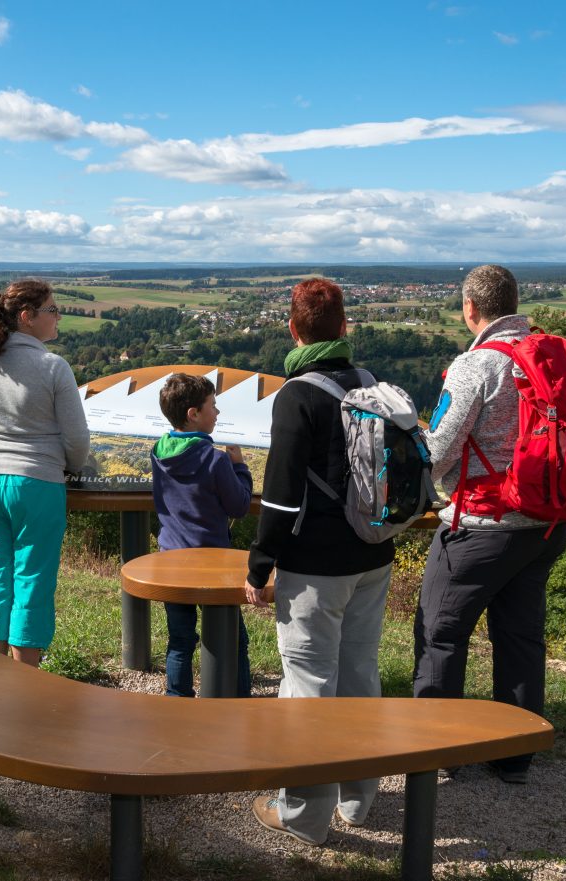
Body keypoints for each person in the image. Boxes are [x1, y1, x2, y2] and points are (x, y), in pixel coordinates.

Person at [244, 277, 394, 846]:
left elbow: (281, 498)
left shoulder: (297, 395)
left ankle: (304, 816)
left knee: (307, 686)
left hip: (315, 568)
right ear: (344, 327)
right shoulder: (368, 382)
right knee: (359, 675)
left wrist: (260, 566)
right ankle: (358, 799)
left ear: (293, 327)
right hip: (373, 555)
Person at [413, 264, 566, 783]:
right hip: (545, 524)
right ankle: (515, 754)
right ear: (515, 302)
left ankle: (435, 751)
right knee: (521, 638)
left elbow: (437, 450)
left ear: (470, 308)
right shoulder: (550, 356)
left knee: (441, 634)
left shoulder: (475, 365)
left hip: (481, 527)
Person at [0, 279, 89, 667]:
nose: (58, 316)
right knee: (32, 581)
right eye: (52, 310)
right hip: (36, 485)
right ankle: (25, 682)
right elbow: (77, 439)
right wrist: (71, 466)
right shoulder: (53, 367)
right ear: (27, 318)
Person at [151, 373, 255, 698]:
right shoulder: (215, 460)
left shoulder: (158, 451)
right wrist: (240, 467)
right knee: (233, 638)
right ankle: (236, 699)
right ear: (193, 414)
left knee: (180, 639)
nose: (218, 413)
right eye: (213, 405)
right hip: (213, 565)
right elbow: (238, 505)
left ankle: (176, 698)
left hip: (171, 560)